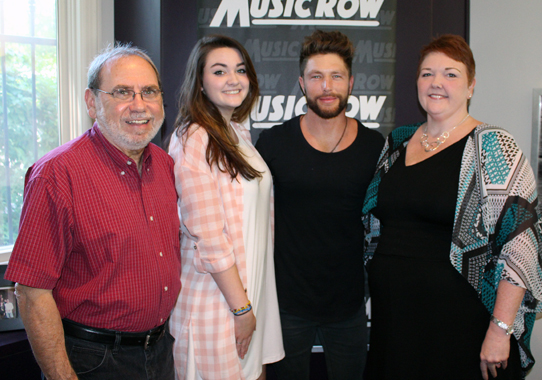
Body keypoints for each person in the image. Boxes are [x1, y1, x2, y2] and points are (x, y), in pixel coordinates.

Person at [362, 34, 542, 380]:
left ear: (471, 86)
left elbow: (520, 244)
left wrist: (499, 330)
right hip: (395, 319)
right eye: (427, 73)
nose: (436, 83)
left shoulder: (493, 146)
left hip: (459, 323)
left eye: (450, 74)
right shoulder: (398, 142)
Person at [5, 44, 181, 379]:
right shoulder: (57, 175)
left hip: (159, 353)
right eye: (122, 92)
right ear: (91, 102)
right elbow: (31, 293)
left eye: (148, 91)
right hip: (91, 360)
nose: (139, 105)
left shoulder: (164, 163)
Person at [255, 30, 385, 380]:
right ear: (301, 83)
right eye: (316, 77)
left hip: (349, 307)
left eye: (336, 76)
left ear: (351, 82)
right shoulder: (273, 143)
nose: (326, 86)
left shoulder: (375, 147)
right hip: (287, 306)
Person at [168, 35, 284, 380]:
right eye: (219, 71)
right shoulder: (193, 139)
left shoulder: (237, 133)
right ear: (200, 83)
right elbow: (209, 237)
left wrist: (250, 307)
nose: (233, 79)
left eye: (240, 70)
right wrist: (242, 308)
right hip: (217, 303)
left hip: (248, 296)